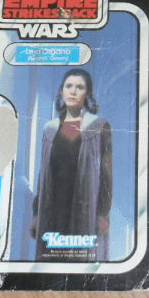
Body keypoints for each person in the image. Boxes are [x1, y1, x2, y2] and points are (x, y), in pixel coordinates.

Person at [30, 69, 112, 261]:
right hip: (53, 208)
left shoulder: (99, 126)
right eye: (69, 86)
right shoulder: (49, 129)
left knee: (82, 259)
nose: (73, 91)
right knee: (51, 261)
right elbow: (43, 175)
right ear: (61, 91)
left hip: (85, 206)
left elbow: (106, 172)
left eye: (79, 87)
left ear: (88, 94)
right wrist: (36, 214)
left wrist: (102, 213)